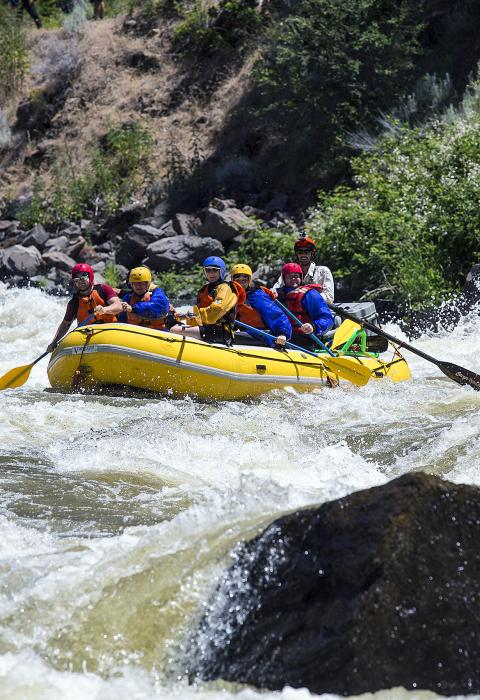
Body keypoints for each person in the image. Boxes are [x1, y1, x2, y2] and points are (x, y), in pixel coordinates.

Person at [47, 264, 122, 352]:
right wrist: (54, 342)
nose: (80, 282)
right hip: (89, 336)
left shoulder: (103, 289)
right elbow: (65, 324)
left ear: (90, 277)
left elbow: (118, 306)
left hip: (110, 331)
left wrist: (105, 310)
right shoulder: (74, 302)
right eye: (77, 280)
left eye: (83, 278)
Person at [185, 256, 246, 345]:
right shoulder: (204, 290)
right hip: (207, 328)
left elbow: (216, 310)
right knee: (177, 325)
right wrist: (184, 317)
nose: (211, 273)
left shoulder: (225, 288)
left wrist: (196, 314)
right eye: (208, 270)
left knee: (174, 330)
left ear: (221, 271)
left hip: (220, 332)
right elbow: (197, 313)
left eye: (215, 270)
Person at [231, 263, 292, 347]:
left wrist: (282, 333)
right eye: (238, 280)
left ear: (249, 281)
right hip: (244, 333)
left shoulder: (257, 295)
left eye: (244, 279)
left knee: (228, 337)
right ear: (232, 281)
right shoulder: (230, 296)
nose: (241, 283)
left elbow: (275, 315)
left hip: (263, 335)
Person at [276, 263, 334, 350]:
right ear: (284, 279)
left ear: (301, 278)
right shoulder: (277, 295)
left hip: (305, 340)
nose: (293, 279)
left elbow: (327, 318)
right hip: (281, 337)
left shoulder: (310, 294)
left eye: (296, 276)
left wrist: (313, 326)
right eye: (289, 276)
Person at [273, 234, 334, 304]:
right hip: (293, 312)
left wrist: (304, 296)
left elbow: (329, 298)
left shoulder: (323, 271)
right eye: (300, 252)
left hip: (315, 312)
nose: (303, 255)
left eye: (307, 252)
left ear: (312, 254)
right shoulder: (289, 271)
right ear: (297, 254)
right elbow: (275, 290)